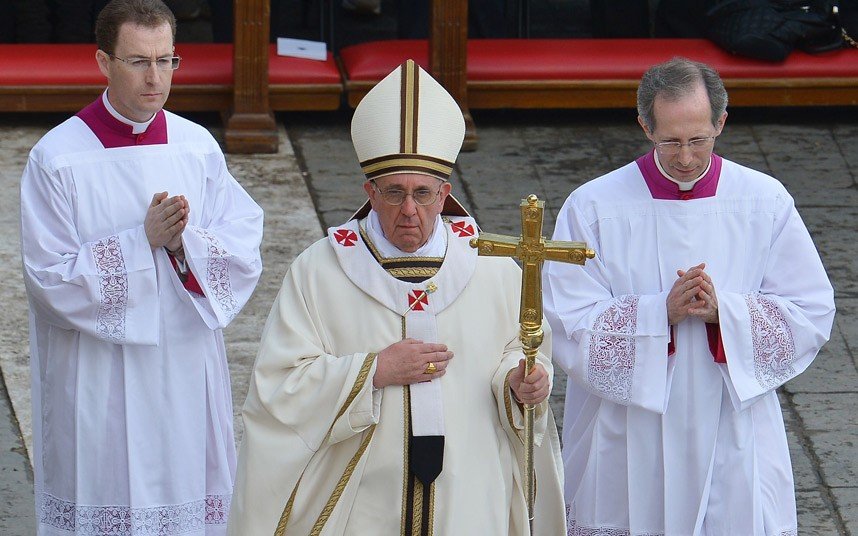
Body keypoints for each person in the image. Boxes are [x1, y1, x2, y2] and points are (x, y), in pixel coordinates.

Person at [227, 60, 566, 535]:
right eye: (393, 193)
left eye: (423, 193)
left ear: (445, 194)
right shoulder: (320, 270)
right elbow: (278, 388)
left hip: (467, 488)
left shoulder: (490, 267)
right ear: (369, 190)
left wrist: (520, 383)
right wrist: (374, 371)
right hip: (363, 496)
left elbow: (522, 350)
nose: (409, 210)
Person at [544, 56, 836, 535]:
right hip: (630, 429)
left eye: (698, 140)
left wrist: (726, 313)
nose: (684, 157)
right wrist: (659, 312)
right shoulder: (594, 205)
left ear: (721, 122)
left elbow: (810, 310)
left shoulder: (764, 201)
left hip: (731, 421)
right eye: (670, 141)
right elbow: (565, 317)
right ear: (645, 126)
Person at [20, 1, 263, 534]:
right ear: (103, 62)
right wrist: (141, 242)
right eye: (137, 61)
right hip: (98, 376)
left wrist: (183, 245)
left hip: (182, 367)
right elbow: (48, 279)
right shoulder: (57, 157)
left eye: (165, 60)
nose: (155, 78)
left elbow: (242, 246)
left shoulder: (197, 147)